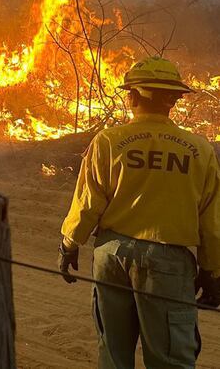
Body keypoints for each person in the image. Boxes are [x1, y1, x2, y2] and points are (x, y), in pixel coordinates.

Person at [58, 55, 220, 369]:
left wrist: (69, 244)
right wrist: (212, 271)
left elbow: (88, 204)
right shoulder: (199, 149)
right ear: (173, 99)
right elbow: (211, 221)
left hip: (112, 257)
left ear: (132, 96)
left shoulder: (108, 142)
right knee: (170, 358)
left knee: (114, 355)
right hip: (168, 265)